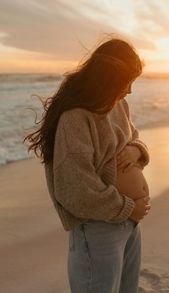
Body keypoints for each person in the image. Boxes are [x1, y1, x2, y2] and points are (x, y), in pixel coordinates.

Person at [24, 37, 151, 293]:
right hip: (99, 230)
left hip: (129, 225)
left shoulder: (119, 106)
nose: (129, 91)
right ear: (108, 78)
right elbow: (76, 190)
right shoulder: (75, 119)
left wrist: (136, 150)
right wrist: (128, 208)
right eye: (126, 82)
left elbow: (134, 137)